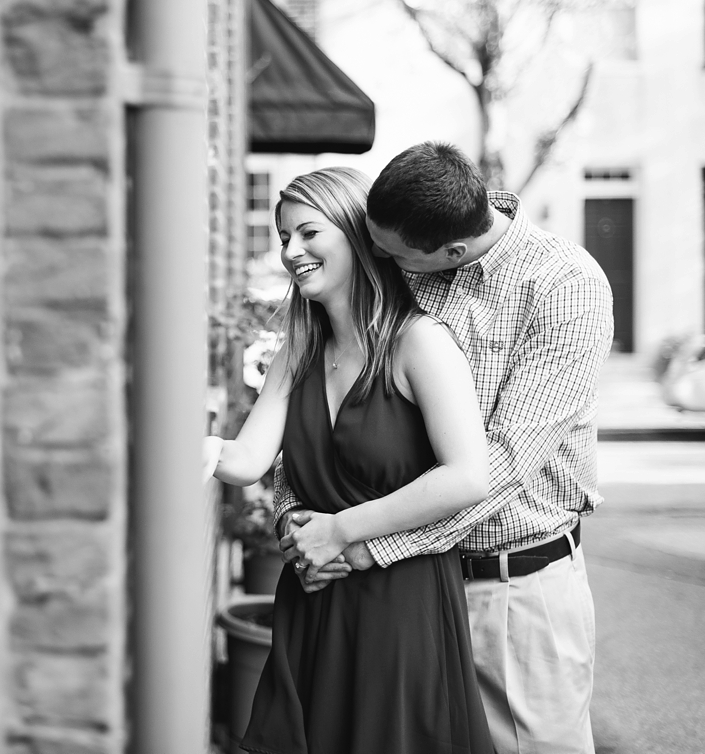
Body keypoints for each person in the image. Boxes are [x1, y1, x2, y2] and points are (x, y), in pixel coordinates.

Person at [275, 141, 614, 754]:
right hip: (403, 600)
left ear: (452, 252)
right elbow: (316, 419)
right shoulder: (409, 245)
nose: (374, 256)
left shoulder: (564, 285)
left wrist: (359, 542)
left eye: (388, 252)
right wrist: (298, 521)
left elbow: (503, 464)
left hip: (511, 588)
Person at [205, 167, 495, 754]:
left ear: (353, 234)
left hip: (398, 605)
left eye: (308, 233)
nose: (291, 251)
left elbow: (468, 476)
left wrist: (340, 530)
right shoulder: (298, 350)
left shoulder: (421, 343)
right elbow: (247, 460)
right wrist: (197, 448)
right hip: (314, 599)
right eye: (284, 236)